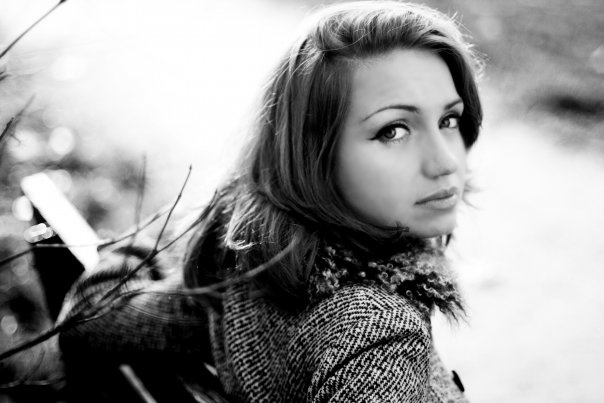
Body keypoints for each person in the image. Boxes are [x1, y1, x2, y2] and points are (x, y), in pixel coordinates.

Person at [59, 1, 483, 402]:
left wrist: (165, 236)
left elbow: (91, 313)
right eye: (393, 130)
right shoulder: (376, 336)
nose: (446, 161)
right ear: (313, 156)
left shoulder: (258, 277)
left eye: (448, 119)